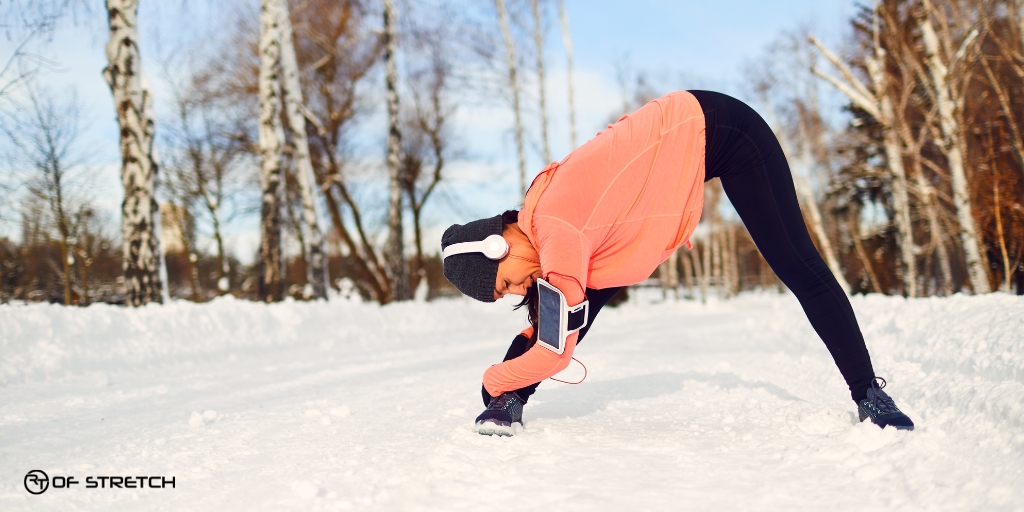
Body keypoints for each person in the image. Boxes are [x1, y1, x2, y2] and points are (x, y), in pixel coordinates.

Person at [441, 90, 914, 437]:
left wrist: (492, 378)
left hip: (729, 131)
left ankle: (869, 393)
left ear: (499, 245)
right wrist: (507, 385)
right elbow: (552, 323)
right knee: (576, 307)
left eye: (503, 284)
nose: (516, 290)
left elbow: (555, 350)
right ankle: (512, 400)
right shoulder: (542, 221)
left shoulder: (556, 227)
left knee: (798, 265)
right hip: (688, 137)